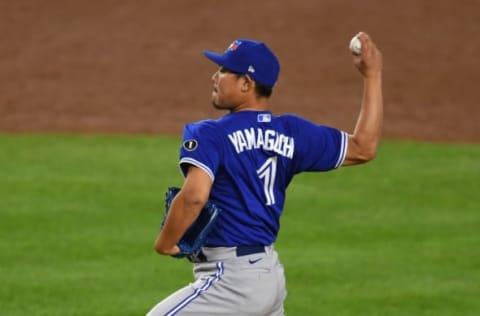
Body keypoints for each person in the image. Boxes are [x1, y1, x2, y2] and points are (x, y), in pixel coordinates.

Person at [147, 32, 383, 316]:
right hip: (268, 275)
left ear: (246, 83)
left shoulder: (209, 134)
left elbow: (194, 196)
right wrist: (372, 75)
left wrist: (166, 241)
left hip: (232, 282)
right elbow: (363, 147)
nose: (215, 76)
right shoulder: (292, 132)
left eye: (224, 71)